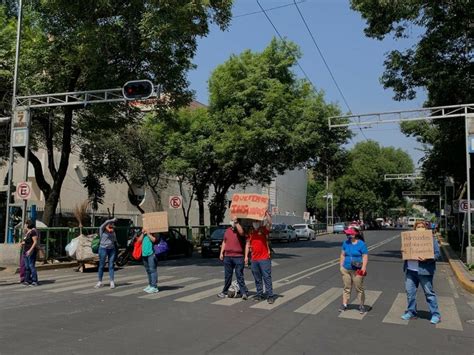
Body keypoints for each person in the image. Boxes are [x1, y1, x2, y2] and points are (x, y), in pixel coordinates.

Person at [401, 221, 441, 324]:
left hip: (424, 271)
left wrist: (427, 258)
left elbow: (437, 254)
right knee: (410, 293)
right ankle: (411, 312)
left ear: (426, 228)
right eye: (418, 227)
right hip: (410, 270)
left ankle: (435, 314)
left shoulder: (431, 239)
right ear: (414, 228)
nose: (420, 228)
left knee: (429, 293)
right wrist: (404, 251)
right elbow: (406, 250)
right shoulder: (409, 238)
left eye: (422, 226)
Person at [245, 213, 274, 304]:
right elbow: (248, 244)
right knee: (257, 278)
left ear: (260, 222)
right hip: (254, 259)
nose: (255, 223)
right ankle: (259, 294)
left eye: (257, 221)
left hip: (264, 258)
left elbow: (269, 223)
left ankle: (270, 296)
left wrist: (267, 214)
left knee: (266, 277)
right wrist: (246, 256)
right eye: (254, 221)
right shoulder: (251, 232)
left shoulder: (264, 229)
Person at [339, 226, 368, 314]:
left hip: (357, 270)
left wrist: (363, 268)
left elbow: (365, 256)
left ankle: (361, 305)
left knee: (359, 288)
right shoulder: (345, 243)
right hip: (346, 269)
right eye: (347, 233)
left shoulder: (361, 244)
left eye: (349, 233)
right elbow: (342, 255)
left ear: (355, 234)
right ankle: (344, 304)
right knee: (346, 287)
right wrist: (341, 266)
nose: (347, 235)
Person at [217, 217, 248, 300]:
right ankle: (224, 291)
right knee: (227, 276)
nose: (232, 222)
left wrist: (236, 222)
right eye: (232, 220)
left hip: (238, 257)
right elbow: (224, 241)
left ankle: (243, 292)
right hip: (228, 256)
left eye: (234, 221)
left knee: (239, 275)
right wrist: (221, 253)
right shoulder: (227, 230)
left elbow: (241, 233)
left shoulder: (240, 229)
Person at [95, 218, 118, 289]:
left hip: (111, 249)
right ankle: (100, 281)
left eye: (111, 224)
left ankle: (112, 282)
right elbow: (106, 222)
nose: (110, 225)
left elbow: (114, 240)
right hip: (103, 249)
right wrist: (113, 220)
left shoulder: (113, 231)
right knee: (101, 265)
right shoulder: (102, 229)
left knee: (111, 265)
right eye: (109, 224)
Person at [137, 229, 159, 294]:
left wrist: (149, 234)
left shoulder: (155, 232)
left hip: (151, 254)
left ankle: (154, 287)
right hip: (144, 254)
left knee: (152, 270)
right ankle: (150, 285)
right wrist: (143, 233)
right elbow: (139, 241)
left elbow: (155, 240)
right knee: (148, 270)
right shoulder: (144, 233)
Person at [21, 220, 39, 286]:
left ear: (28, 225)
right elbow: (28, 241)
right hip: (25, 251)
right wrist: (23, 243)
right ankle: (27, 280)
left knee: (31, 266)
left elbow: (35, 242)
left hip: (30, 252)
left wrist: (30, 250)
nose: (24, 226)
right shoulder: (27, 232)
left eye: (25, 224)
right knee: (27, 266)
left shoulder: (33, 232)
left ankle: (35, 281)